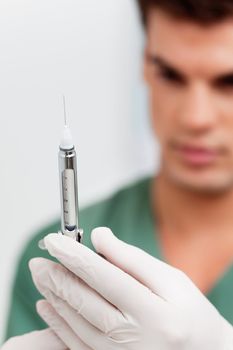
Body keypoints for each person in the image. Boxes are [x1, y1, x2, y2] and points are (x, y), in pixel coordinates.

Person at [3, 0, 233, 348]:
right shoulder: (56, 262)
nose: (194, 118)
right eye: (170, 74)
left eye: (228, 82)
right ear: (144, 65)